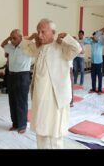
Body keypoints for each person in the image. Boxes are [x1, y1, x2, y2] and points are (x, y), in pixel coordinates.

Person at [21, 18, 81, 149]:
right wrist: (32, 37)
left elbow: (77, 49)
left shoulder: (61, 46)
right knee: (41, 130)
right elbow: (23, 46)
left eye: (43, 32)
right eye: (38, 32)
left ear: (53, 32)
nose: (40, 35)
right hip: (40, 98)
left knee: (55, 133)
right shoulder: (38, 47)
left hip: (55, 98)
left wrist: (67, 38)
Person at [1, 29, 32, 133]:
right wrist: (9, 38)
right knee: (12, 101)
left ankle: (22, 125)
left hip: (23, 76)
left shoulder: (26, 47)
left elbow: (32, 41)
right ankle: (15, 123)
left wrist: (25, 39)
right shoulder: (10, 47)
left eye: (14, 38)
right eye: (11, 38)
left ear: (20, 37)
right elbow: (2, 44)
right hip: (11, 76)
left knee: (21, 102)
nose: (12, 40)